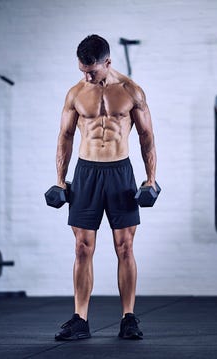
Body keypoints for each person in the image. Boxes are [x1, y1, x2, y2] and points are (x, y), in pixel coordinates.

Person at [54, 34, 157, 341]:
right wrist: (60, 179)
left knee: (124, 247)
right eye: (82, 70)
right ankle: (80, 319)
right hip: (86, 172)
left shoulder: (131, 91)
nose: (87, 76)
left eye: (93, 71)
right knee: (82, 248)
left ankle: (128, 318)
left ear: (108, 62)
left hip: (119, 172)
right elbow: (65, 137)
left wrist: (150, 178)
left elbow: (147, 137)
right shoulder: (75, 93)